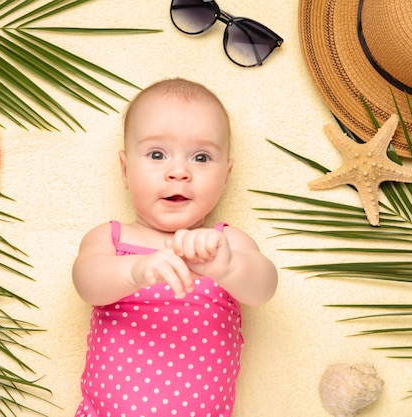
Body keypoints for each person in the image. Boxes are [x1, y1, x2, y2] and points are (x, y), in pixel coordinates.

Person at [72, 78, 278, 417]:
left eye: (201, 157)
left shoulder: (227, 244)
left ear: (226, 175)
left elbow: (264, 288)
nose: (179, 172)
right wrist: (135, 271)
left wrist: (227, 268)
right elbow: (86, 283)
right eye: (157, 154)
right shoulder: (111, 239)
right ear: (125, 169)